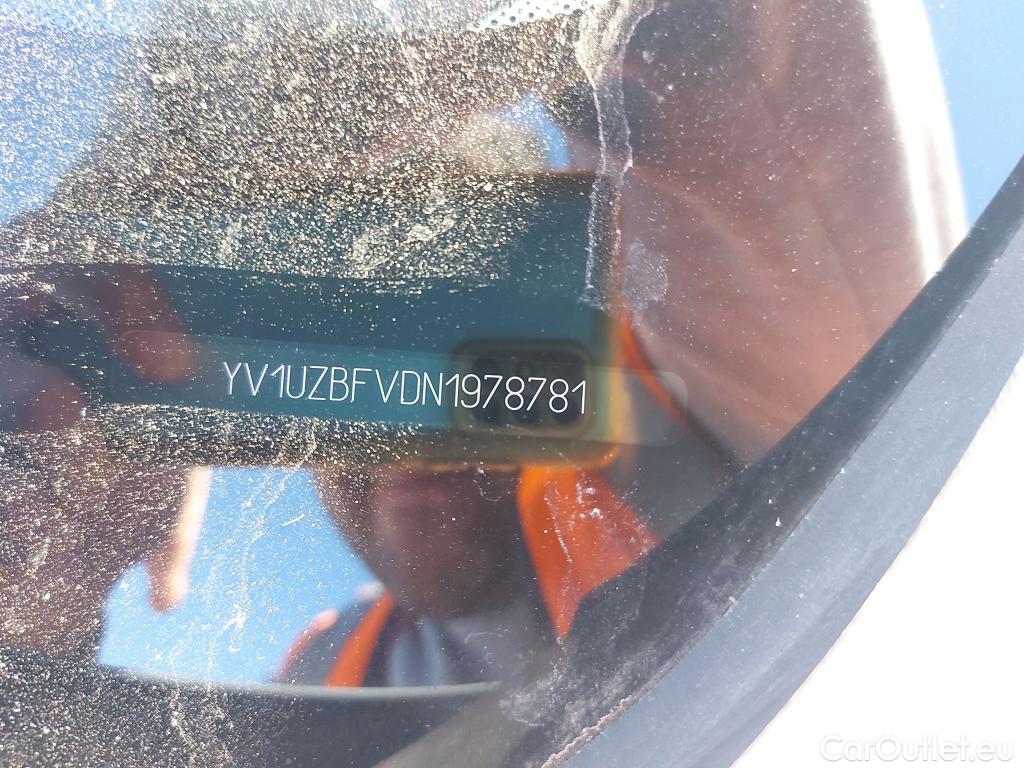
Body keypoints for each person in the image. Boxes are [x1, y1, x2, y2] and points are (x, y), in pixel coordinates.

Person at [1, 0, 963, 690]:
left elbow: (764, 52)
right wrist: (40, 622)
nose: (406, 435)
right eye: (344, 354)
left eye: (454, 327)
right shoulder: (333, 675)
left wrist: (191, 130)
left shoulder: (733, 409)